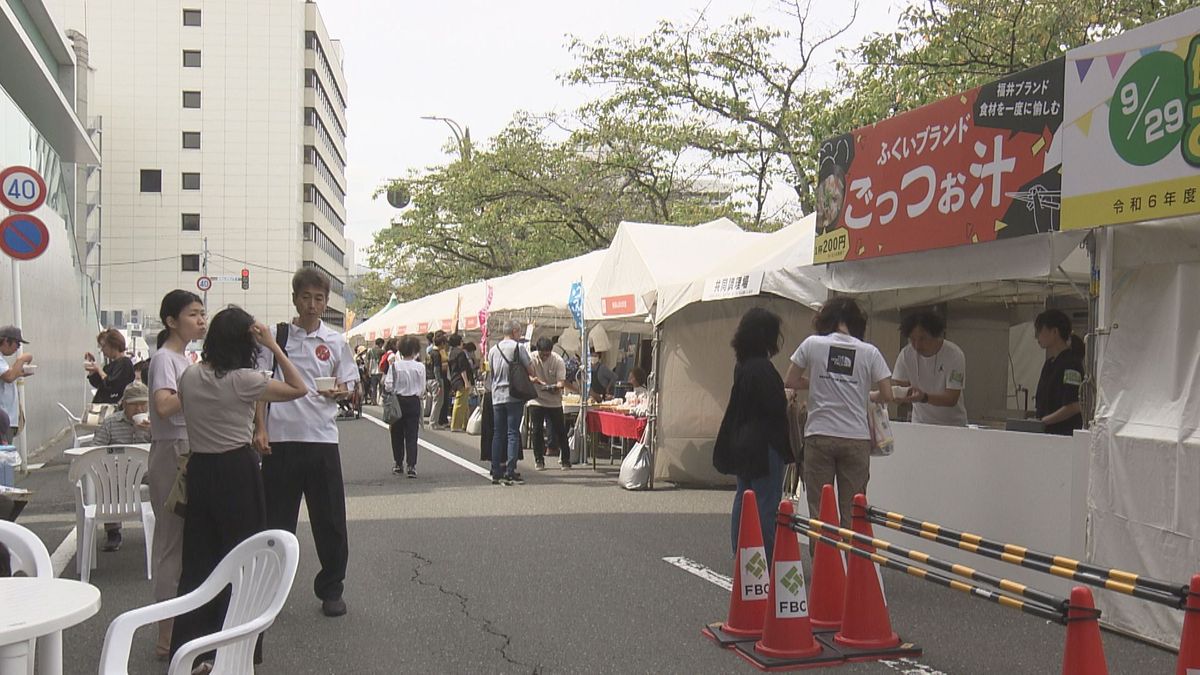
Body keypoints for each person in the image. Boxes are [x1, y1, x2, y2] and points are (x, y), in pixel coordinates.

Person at [170, 306, 306, 667]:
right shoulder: (247, 379)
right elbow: (299, 387)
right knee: (243, 561)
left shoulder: (189, 376)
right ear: (246, 341)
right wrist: (276, 348)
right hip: (237, 470)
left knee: (198, 562)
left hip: (200, 470)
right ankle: (239, 651)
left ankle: (192, 650)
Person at [253, 267, 359, 618]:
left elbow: (350, 387)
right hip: (281, 439)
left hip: (322, 439)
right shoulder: (277, 338)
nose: (312, 304)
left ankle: (332, 588)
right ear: (295, 298)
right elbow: (261, 387)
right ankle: (269, 589)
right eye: (306, 297)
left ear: (326, 302)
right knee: (276, 521)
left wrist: (342, 392)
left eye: (319, 298)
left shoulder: (336, 342)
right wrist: (260, 428)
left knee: (329, 520)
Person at [784, 297, 894, 530]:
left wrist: (819, 382)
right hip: (856, 438)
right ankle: (850, 564)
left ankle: (824, 565)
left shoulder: (812, 344)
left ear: (825, 319)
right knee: (853, 511)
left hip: (819, 434)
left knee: (820, 511)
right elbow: (887, 393)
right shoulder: (870, 352)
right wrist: (861, 390)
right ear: (856, 323)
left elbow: (790, 380)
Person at [147, 289, 206, 658]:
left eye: (202, 314)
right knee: (171, 543)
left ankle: (178, 629)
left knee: (185, 543)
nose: (201, 320)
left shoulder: (182, 359)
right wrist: (202, 388)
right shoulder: (165, 359)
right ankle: (165, 637)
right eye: (193, 314)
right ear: (171, 320)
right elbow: (164, 406)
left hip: (186, 448)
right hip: (174, 450)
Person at [713, 308, 794, 560]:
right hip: (765, 444)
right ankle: (764, 559)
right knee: (766, 504)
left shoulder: (743, 366)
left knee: (744, 498)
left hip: (742, 440)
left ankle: (742, 554)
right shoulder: (764, 369)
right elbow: (774, 406)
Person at [89, 381, 153, 552]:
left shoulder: (155, 422)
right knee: (107, 478)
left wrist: (153, 429)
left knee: (164, 477)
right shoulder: (111, 423)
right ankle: (113, 530)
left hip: (145, 468)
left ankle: (160, 524)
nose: (140, 409)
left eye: (143, 404)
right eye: (134, 405)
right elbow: (95, 448)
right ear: (124, 404)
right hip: (117, 469)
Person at [890, 311, 968, 426]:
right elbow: (901, 387)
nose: (917, 345)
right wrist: (900, 397)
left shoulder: (955, 355)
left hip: (953, 425)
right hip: (920, 423)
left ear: (937, 335)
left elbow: (952, 398)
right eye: (912, 339)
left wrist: (924, 397)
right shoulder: (906, 355)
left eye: (923, 339)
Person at [488, 321, 531, 485]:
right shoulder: (518, 348)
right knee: (513, 433)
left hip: (497, 396)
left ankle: (496, 469)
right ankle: (510, 469)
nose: (520, 335)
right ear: (514, 331)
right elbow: (530, 368)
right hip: (514, 395)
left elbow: (491, 371)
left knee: (498, 433)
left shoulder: (493, 350)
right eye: (519, 332)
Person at [1033, 309, 1086, 436]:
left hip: (1063, 435)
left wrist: (1044, 421)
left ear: (1054, 332)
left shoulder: (1071, 364)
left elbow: (1074, 405)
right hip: (1045, 434)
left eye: (1040, 330)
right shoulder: (1049, 364)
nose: (1036, 336)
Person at [528, 337, 571, 471]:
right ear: (538, 351)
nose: (545, 357)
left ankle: (565, 460)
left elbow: (561, 382)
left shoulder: (558, 360)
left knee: (560, 430)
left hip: (554, 400)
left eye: (547, 354)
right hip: (536, 398)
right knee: (537, 430)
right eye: (542, 354)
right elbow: (526, 374)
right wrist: (533, 379)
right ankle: (539, 459)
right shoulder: (531, 358)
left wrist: (555, 387)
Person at [387, 336, 425, 477]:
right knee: (412, 435)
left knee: (396, 434)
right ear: (415, 350)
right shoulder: (420, 367)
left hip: (398, 401)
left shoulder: (395, 366)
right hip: (414, 401)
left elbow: (388, 385)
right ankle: (411, 466)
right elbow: (422, 388)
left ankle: (398, 463)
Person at [85, 328, 135, 405]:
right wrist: (92, 370)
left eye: (104, 346)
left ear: (113, 345)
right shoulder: (111, 365)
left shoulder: (125, 363)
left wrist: (99, 370)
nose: (102, 350)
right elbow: (98, 384)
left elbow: (112, 384)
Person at [0, 326, 32, 444]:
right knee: (4, 457)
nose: (18, 347)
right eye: (17, 343)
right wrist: (22, 359)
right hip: (3, 419)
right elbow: (9, 377)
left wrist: (19, 372)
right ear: (6, 341)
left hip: (7, 419)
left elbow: (9, 374)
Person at [448, 334, 473, 431]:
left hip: (454, 379)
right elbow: (463, 368)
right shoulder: (460, 353)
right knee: (460, 403)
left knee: (464, 403)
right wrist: (466, 381)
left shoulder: (451, 353)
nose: (463, 343)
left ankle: (464, 424)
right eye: (461, 341)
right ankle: (456, 425)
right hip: (460, 380)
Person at [365, 338, 384, 405]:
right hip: (380, 371)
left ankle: (373, 401)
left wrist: (368, 371)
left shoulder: (370, 351)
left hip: (372, 372)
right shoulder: (382, 351)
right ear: (380, 343)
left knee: (373, 387)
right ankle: (380, 401)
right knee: (381, 387)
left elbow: (367, 362)